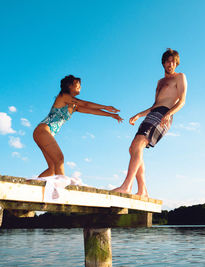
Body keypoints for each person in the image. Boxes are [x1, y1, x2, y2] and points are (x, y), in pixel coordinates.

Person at [113, 48, 188, 197]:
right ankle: (142, 190)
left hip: (164, 114)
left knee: (138, 144)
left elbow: (182, 101)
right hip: (154, 113)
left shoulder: (180, 77)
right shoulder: (160, 82)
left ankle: (127, 186)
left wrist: (168, 114)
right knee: (133, 148)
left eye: (173, 61)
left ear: (176, 63)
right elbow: (155, 104)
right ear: (163, 63)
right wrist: (138, 115)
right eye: (167, 61)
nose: (170, 64)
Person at [33, 75, 123, 177]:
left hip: (43, 133)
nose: (80, 86)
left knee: (53, 168)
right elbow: (85, 104)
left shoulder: (74, 106)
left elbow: (91, 110)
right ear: (69, 86)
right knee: (59, 159)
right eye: (77, 83)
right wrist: (106, 107)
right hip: (43, 131)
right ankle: (61, 189)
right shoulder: (63, 96)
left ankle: (26, 186)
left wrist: (111, 115)